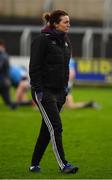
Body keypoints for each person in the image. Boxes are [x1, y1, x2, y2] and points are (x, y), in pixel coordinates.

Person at [29, 10, 78, 174]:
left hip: (59, 93)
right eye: (66, 22)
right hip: (44, 92)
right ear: (55, 24)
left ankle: (34, 164)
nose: (69, 25)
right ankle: (63, 165)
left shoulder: (66, 42)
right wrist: (39, 90)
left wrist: (65, 89)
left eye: (69, 22)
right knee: (56, 126)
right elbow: (34, 68)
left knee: (46, 128)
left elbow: (65, 67)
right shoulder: (42, 40)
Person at [0, 39, 17, 110]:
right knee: (9, 102)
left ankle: (27, 103)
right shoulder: (4, 55)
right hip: (5, 82)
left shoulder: (3, 56)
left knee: (9, 102)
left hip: (2, 82)